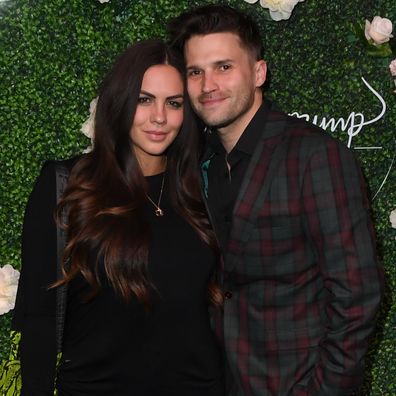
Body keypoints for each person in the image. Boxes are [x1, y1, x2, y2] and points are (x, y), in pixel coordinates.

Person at [168, 5, 384, 396]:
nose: (207, 85)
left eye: (224, 67)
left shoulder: (315, 157)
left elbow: (357, 295)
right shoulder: (200, 163)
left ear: (259, 73)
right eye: (195, 72)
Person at [12, 39, 225, 396]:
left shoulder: (201, 189)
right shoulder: (68, 186)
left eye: (174, 103)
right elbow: (39, 318)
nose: (159, 117)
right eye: (144, 100)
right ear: (121, 101)